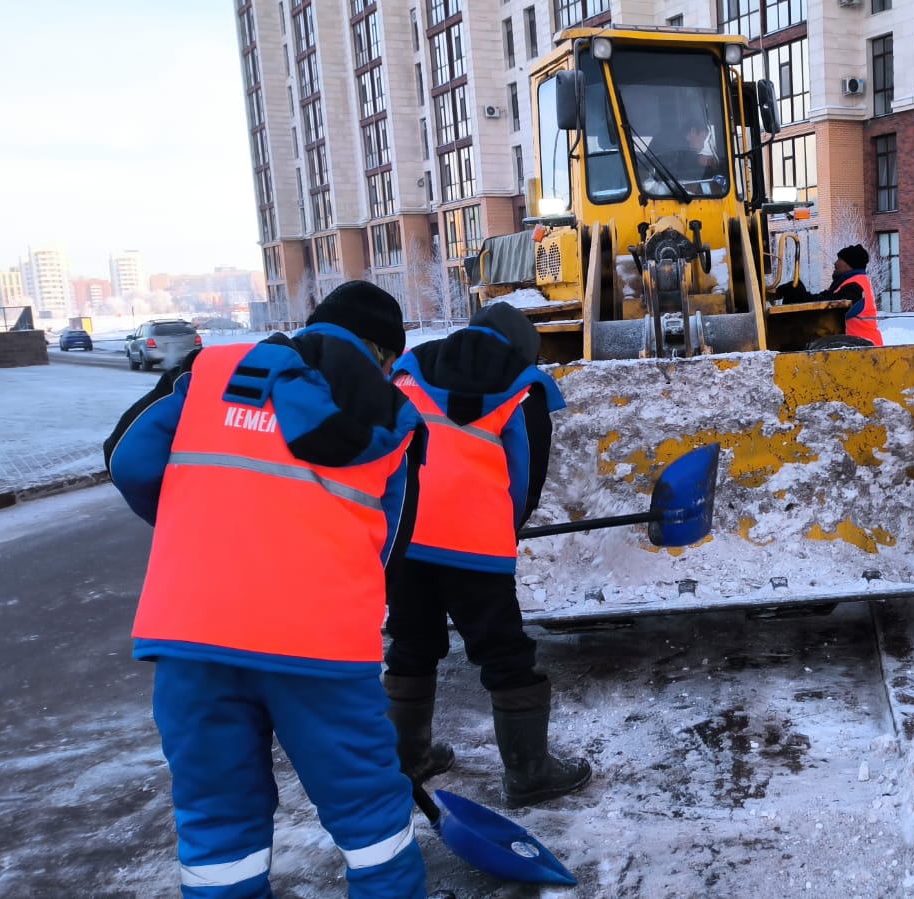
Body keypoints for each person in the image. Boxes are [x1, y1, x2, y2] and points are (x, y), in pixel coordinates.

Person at [104, 281, 431, 899]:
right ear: (386, 356)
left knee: (217, 825)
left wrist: (204, 532)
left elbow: (128, 461)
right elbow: (391, 546)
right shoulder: (396, 418)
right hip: (323, 646)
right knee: (371, 823)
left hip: (191, 634)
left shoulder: (211, 370)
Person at [382, 301, 593, 809]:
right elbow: (525, 478)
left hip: (403, 538)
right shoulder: (524, 387)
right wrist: (505, 525)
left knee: (411, 642)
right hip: (475, 547)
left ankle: (407, 760)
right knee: (504, 653)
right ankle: (529, 773)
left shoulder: (410, 369)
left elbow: (383, 448)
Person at [774, 243, 885, 346]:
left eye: (840, 259)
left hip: (861, 347)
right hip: (856, 346)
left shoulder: (855, 286)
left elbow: (826, 307)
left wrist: (799, 293)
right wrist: (799, 293)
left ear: (849, 264)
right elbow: (821, 299)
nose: (835, 263)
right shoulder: (846, 283)